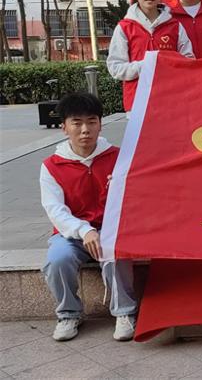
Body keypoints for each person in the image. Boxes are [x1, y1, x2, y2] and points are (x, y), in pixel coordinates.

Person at [41, 93, 138, 342]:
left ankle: (125, 312)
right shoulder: (52, 166)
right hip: (71, 235)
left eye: (92, 122)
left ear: (100, 124)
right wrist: (84, 230)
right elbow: (55, 209)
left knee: (115, 254)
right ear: (64, 127)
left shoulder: (118, 157)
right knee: (57, 259)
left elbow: (133, 197)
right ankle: (68, 314)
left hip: (111, 230)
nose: (85, 130)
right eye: (77, 123)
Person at [107, 0, 194, 113]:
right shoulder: (125, 27)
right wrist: (145, 66)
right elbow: (115, 67)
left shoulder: (174, 26)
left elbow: (189, 60)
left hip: (171, 101)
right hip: (137, 104)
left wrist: (169, 65)